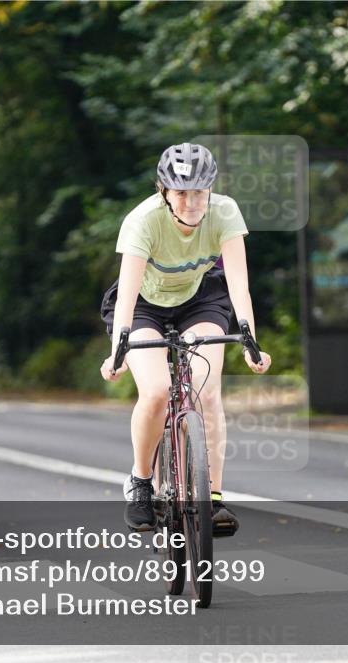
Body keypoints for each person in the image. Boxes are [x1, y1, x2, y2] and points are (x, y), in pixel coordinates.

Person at [99, 143, 272, 535]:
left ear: (211, 189)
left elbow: (239, 287)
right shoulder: (143, 220)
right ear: (164, 190)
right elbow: (126, 294)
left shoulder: (225, 212)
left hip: (200, 299)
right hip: (144, 304)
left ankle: (212, 499)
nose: (192, 202)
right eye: (181, 192)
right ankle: (141, 483)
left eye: (199, 191)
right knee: (158, 390)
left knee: (206, 391)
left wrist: (250, 341)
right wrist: (118, 352)